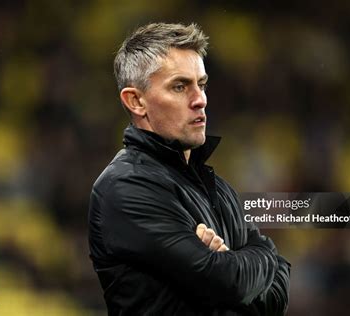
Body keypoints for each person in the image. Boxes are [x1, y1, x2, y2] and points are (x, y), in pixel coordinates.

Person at [88, 22, 291, 315]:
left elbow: (277, 296)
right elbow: (229, 283)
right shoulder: (124, 187)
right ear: (136, 101)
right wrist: (262, 257)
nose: (200, 100)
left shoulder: (217, 188)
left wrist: (240, 266)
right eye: (180, 86)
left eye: (202, 84)